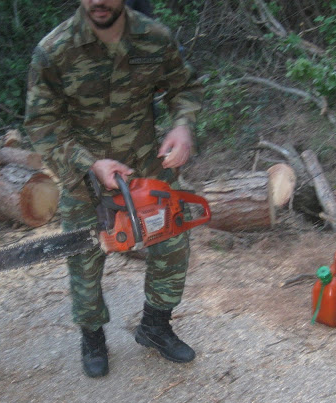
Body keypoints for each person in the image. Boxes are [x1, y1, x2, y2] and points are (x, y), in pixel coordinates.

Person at [24, 0, 203, 378]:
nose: (98, 2)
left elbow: (183, 87)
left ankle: (155, 326)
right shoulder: (54, 51)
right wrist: (89, 162)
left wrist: (182, 125)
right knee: (85, 261)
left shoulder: (154, 37)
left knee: (171, 246)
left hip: (146, 165)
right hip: (84, 174)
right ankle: (92, 336)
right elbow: (42, 125)